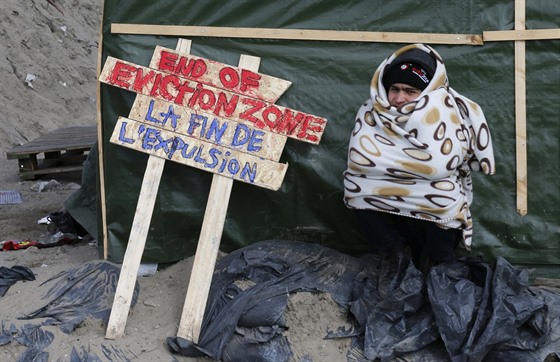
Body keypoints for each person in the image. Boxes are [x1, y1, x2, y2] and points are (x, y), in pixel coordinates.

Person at [343, 43, 495, 270]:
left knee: (446, 200)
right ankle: (395, 256)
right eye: (395, 89)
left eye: (410, 91)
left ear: (427, 91)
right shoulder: (370, 112)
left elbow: (440, 165)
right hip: (382, 187)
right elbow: (358, 160)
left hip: (433, 188)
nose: (400, 98)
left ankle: (436, 263)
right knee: (355, 186)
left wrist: (398, 165)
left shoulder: (448, 111)